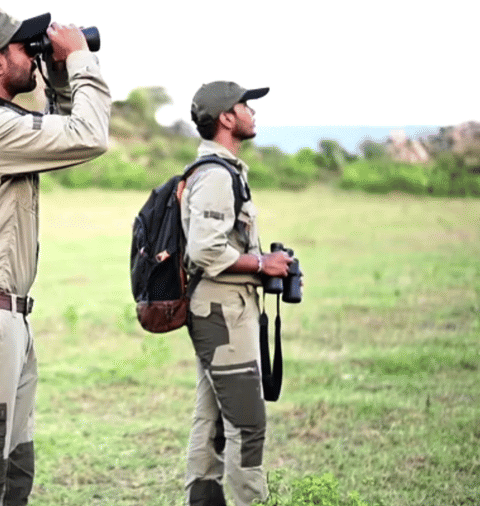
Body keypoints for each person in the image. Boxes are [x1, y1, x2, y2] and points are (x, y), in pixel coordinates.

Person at [0, 10, 110, 506]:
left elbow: (60, 132)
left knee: (11, 473)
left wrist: (55, 73)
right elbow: (88, 136)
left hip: (0, 321)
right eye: (22, 48)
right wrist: (78, 58)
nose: (32, 54)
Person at [181, 81, 292, 506]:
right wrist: (263, 264)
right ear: (227, 117)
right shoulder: (214, 175)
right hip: (222, 312)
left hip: (224, 307)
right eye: (245, 105)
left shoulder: (224, 171)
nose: (252, 112)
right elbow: (206, 249)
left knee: (210, 422)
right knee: (246, 426)